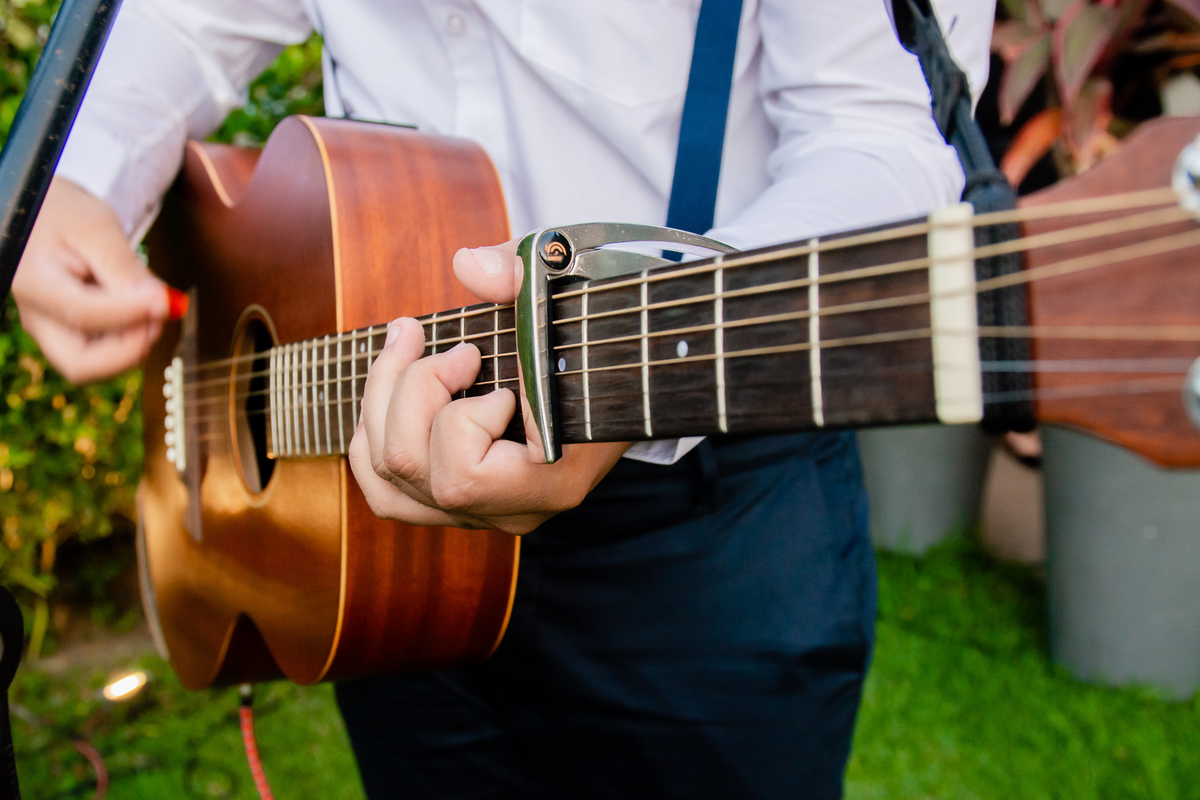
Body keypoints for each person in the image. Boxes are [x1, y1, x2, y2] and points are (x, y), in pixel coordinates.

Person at [15, 1, 994, 796]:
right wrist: (79, 176)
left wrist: (627, 333)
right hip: (379, 525)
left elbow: (889, 133)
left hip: (704, 501)